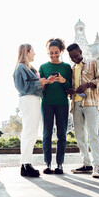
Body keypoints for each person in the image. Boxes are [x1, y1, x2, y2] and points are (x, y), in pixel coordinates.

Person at [66, 43, 99, 178]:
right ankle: (86, 164)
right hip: (76, 104)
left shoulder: (92, 62)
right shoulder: (72, 69)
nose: (74, 59)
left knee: (93, 134)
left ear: (81, 52)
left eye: (76, 56)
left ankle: (97, 166)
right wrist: (71, 91)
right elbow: (72, 86)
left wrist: (88, 85)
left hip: (90, 103)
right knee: (80, 136)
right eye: (71, 58)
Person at [14, 44, 48, 177]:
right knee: (29, 132)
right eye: (33, 51)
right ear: (27, 52)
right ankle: (25, 164)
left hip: (33, 100)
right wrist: (40, 83)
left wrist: (44, 82)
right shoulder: (21, 67)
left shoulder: (30, 68)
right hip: (28, 99)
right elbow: (22, 87)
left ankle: (26, 164)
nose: (35, 53)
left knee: (32, 133)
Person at [39, 38, 72, 175]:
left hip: (62, 104)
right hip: (46, 103)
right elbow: (39, 89)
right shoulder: (43, 67)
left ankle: (59, 164)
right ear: (47, 52)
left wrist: (63, 80)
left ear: (61, 51)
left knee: (61, 135)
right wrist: (45, 82)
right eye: (51, 53)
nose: (53, 55)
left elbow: (70, 88)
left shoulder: (66, 67)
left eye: (56, 52)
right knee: (47, 134)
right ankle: (47, 163)